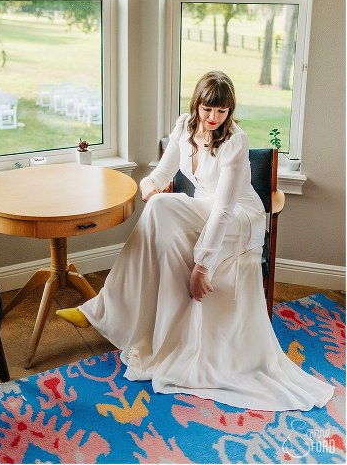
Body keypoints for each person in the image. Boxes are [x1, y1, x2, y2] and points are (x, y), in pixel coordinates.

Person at [57, 71, 334, 412]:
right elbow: (162, 171)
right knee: (158, 205)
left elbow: (224, 208)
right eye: (207, 109)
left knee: (167, 215)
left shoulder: (235, 141)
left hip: (237, 216)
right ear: (196, 105)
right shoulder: (184, 126)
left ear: (230, 110)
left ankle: (103, 310)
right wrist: (149, 186)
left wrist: (202, 266)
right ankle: (106, 311)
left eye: (222, 111)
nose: (214, 118)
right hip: (205, 206)